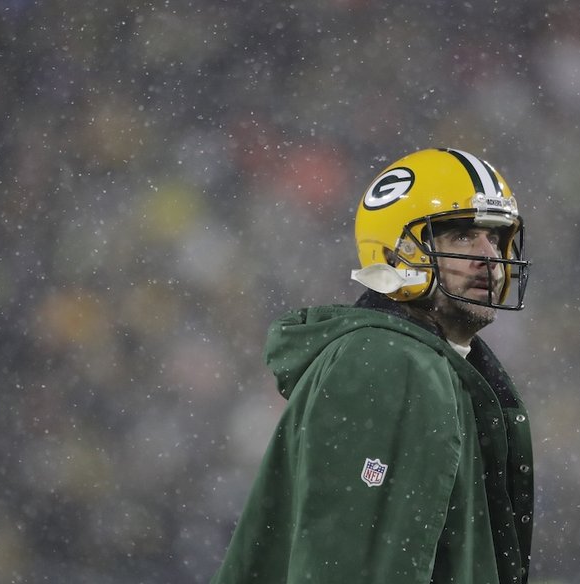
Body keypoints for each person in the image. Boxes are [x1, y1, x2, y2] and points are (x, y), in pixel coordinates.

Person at [212, 148, 534, 584]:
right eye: (461, 237)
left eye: (495, 238)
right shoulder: (390, 362)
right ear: (398, 249)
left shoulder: (421, 361)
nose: (489, 256)